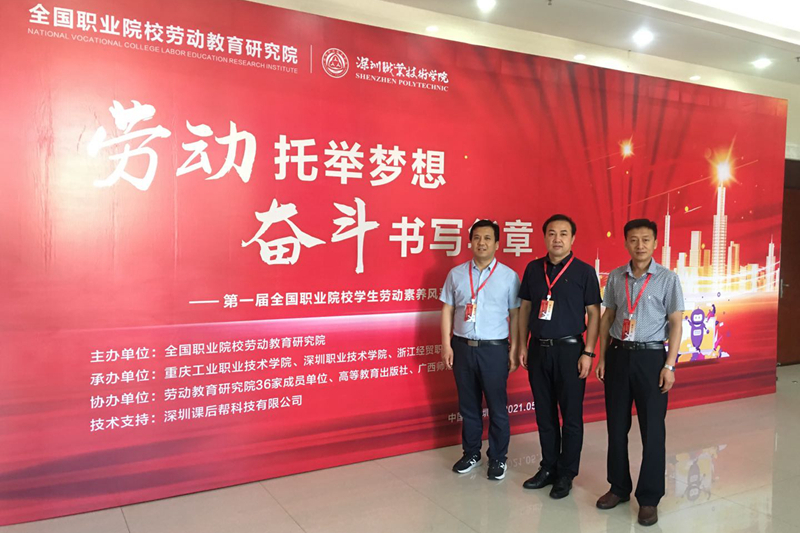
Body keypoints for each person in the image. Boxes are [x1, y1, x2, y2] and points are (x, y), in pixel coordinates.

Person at [595, 218, 685, 527]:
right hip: (618, 355)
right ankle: (618, 487)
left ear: (655, 243)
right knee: (616, 426)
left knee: (653, 430)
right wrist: (602, 356)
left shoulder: (668, 279)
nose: (640, 245)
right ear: (625, 243)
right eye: (634, 239)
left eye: (646, 239)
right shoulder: (615, 277)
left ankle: (649, 498)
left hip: (651, 359)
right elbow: (608, 317)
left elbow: (676, 323)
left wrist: (669, 365)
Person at [517, 214, 601, 499]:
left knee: (571, 416)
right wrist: (522, 344)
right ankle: (548, 467)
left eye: (563, 233)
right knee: (545, 414)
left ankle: (567, 473)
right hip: (538, 349)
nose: (557, 239)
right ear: (544, 237)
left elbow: (594, 314)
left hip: (570, 351)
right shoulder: (533, 269)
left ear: (572, 238)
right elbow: (525, 309)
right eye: (552, 233)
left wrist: (588, 352)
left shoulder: (584, 272)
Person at [440, 219, 521, 480]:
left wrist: (515, 348)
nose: (481, 243)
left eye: (487, 238)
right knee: (468, 405)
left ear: (497, 244)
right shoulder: (456, 274)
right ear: (470, 242)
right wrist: (446, 344)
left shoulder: (508, 276)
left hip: (494, 350)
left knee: (497, 406)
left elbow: (515, 314)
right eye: (476, 238)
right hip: (462, 347)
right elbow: (447, 309)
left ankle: (498, 457)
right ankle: (471, 453)